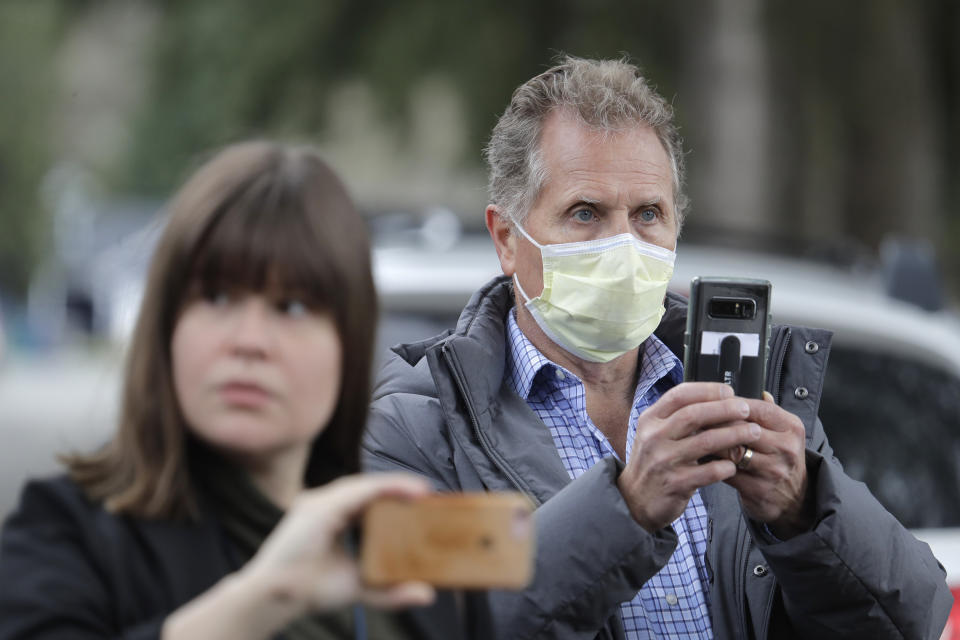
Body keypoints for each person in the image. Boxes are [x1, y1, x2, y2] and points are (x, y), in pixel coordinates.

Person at [362, 56, 953, 639]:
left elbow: (913, 621)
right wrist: (626, 510)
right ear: (507, 238)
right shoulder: (419, 428)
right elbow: (425, 623)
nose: (623, 246)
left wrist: (806, 510)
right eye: (585, 213)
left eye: (648, 214)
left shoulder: (748, 395)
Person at [0, 141, 470, 640]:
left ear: (349, 345)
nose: (249, 342)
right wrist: (265, 598)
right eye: (217, 297)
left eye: (292, 307)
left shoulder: (403, 546)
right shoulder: (66, 533)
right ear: (165, 326)